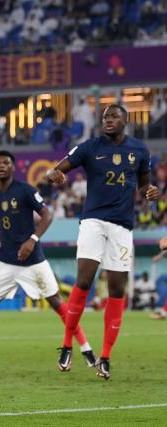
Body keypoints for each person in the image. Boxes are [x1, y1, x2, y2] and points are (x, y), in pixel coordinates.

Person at [45, 104, 159, 379]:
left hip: (122, 225)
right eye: (105, 117)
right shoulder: (89, 147)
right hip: (93, 220)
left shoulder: (140, 150)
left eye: (113, 116)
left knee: (117, 289)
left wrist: (149, 191)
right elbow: (58, 169)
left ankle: (105, 357)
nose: (108, 120)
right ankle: (66, 344)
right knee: (84, 280)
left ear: (125, 120)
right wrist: (55, 174)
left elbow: (145, 184)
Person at [0, 150, 95, 368]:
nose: (1, 166)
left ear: (13, 167)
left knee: (57, 303)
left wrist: (32, 239)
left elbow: (47, 215)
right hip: (5, 261)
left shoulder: (26, 190)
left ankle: (86, 348)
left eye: (6, 162)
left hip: (33, 261)